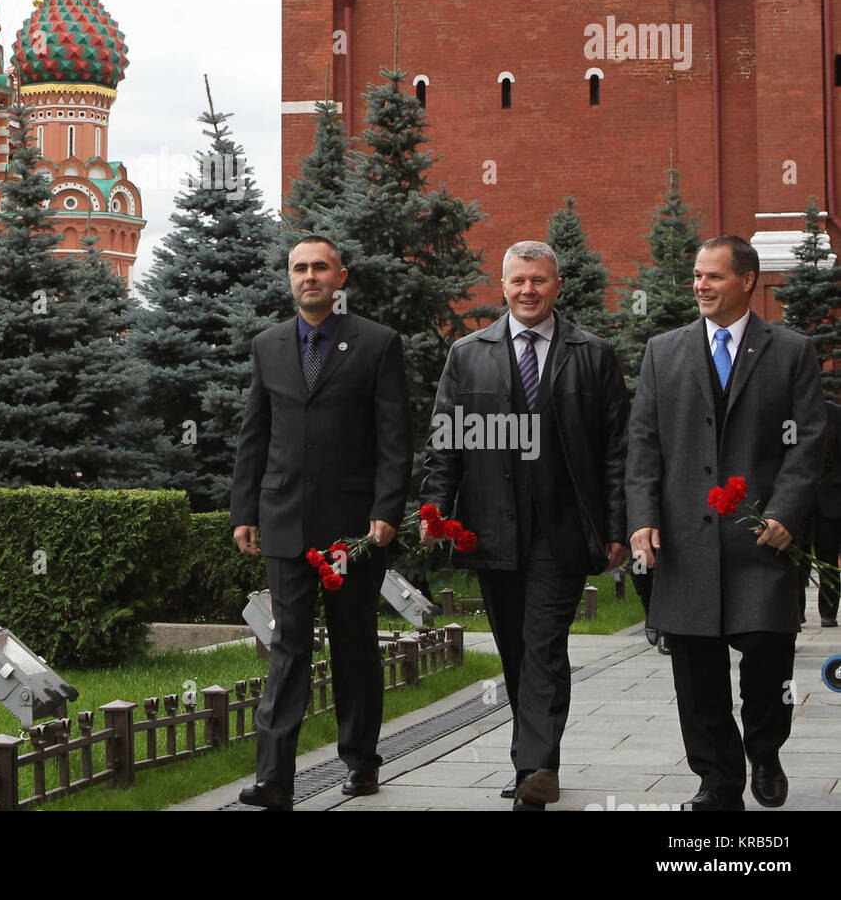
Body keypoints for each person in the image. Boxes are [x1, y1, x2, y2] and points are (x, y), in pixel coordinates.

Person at [419, 240, 630, 811]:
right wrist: (435, 510)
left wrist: (616, 526)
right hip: (492, 528)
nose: (528, 290)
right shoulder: (468, 354)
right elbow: (447, 439)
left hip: (562, 530)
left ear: (556, 285)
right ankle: (539, 758)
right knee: (515, 647)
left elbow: (617, 449)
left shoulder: (593, 354)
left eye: (538, 280)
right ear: (503, 286)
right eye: (518, 281)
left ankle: (534, 767)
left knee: (542, 644)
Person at [627, 236, 825, 811]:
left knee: (767, 653)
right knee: (696, 673)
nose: (700, 286)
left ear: (747, 281)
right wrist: (641, 519)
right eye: (696, 275)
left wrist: (786, 512)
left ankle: (764, 749)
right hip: (685, 542)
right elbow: (642, 444)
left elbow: (808, 442)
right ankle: (718, 782)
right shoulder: (664, 351)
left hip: (761, 538)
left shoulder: (791, 351)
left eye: (713, 276)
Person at [230, 235, 411, 811]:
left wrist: (386, 511)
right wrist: (244, 512)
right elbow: (255, 434)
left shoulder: (377, 345)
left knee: (354, 645)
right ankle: (273, 779)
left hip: (353, 531)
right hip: (284, 521)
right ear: (290, 278)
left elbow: (394, 440)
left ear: (341, 278)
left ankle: (361, 762)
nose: (310, 277)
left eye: (320, 268)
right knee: (288, 648)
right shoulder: (269, 345)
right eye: (299, 268)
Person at [799, 401, 841, 629]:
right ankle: (796, 612)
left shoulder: (836, 415)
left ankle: (828, 611)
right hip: (800, 499)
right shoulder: (792, 411)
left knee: (827, 560)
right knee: (796, 561)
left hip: (830, 500)